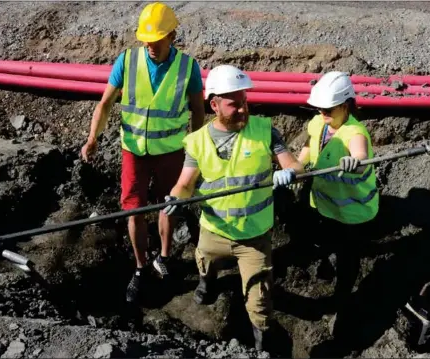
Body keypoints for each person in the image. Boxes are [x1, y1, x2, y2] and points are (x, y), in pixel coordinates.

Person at [162, 64, 305, 350]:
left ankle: (261, 346)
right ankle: (207, 283)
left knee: (260, 301)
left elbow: (296, 165)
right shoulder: (197, 141)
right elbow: (185, 184)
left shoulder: (264, 130)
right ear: (214, 104)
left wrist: (290, 172)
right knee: (205, 262)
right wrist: (175, 198)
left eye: (244, 102)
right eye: (233, 105)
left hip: (254, 237)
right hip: (214, 231)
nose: (242, 109)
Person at [80, 2, 206, 303]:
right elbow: (106, 103)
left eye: (157, 40)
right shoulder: (127, 60)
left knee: (169, 204)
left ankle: (163, 257)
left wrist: (197, 147)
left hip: (172, 150)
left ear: (172, 35)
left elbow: (198, 111)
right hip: (133, 151)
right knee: (133, 209)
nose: (150, 46)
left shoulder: (188, 67)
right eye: (146, 40)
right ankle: (140, 267)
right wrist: (92, 137)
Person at [295, 71, 379, 335]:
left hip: (352, 212)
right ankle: (325, 261)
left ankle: (343, 297)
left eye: (328, 110)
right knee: (324, 237)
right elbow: (310, 145)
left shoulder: (354, 131)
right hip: (324, 204)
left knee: (348, 255)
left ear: (345, 105)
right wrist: (297, 166)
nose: (323, 114)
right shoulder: (319, 123)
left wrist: (355, 161)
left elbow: (359, 151)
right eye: (320, 109)